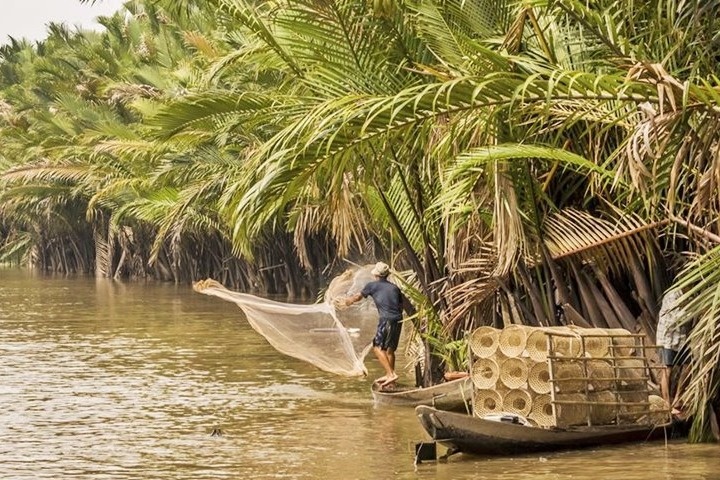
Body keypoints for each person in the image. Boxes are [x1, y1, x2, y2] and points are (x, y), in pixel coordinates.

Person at [342, 262, 403, 387]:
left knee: (377, 348)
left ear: (376, 275)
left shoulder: (372, 286)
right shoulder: (394, 288)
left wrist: (347, 302)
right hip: (398, 319)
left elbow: (358, 297)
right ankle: (391, 381)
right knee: (390, 350)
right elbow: (400, 306)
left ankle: (391, 374)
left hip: (386, 320)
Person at [656, 287, 691, 416]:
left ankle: (677, 399)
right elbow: (677, 318)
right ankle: (666, 405)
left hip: (681, 339)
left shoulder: (690, 295)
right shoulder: (673, 295)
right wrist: (695, 310)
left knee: (688, 365)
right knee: (667, 369)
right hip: (667, 338)